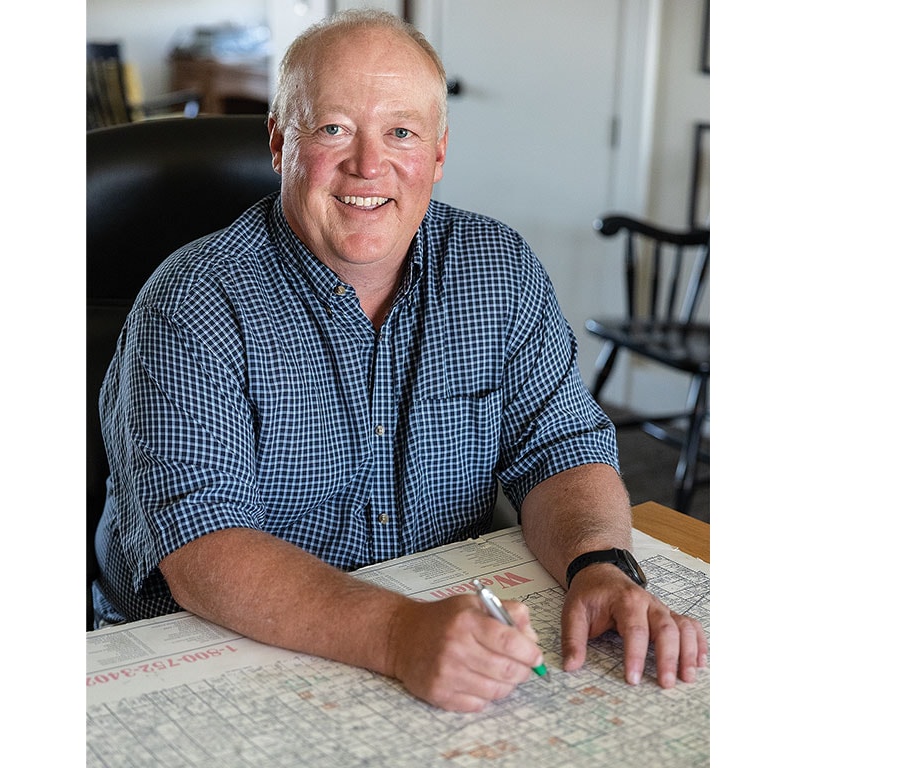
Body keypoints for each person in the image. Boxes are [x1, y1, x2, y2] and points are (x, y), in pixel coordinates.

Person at [93, 8, 707, 713]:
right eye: (332, 128)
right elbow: (202, 546)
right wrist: (397, 633)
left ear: (438, 155)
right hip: (209, 657)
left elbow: (561, 446)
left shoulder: (498, 271)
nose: (367, 165)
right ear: (278, 142)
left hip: (441, 628)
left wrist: (600, 565)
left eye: (401, 132)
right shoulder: (192, 302)